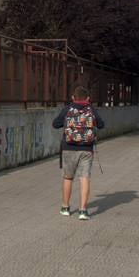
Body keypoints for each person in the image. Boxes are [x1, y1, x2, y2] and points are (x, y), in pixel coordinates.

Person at [52, 85, 105, 220]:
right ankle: (83, 211)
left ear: (73, 98)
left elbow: (55, 124)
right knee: (84, 178)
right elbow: (101, 124)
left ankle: (65, 207)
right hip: (86, 148)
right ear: (88, 98)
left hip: (68, 147)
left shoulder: (68, 109)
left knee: (68, 177)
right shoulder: (91, 109)